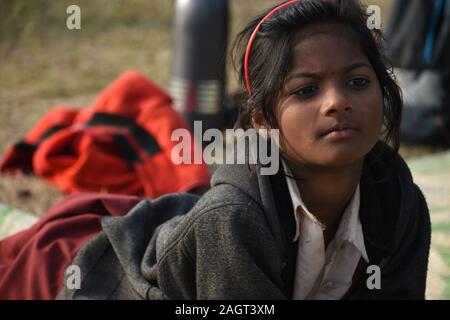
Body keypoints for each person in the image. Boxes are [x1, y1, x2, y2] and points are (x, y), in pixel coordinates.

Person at [58, 0, 431, 300]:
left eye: (358, 81)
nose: (337, 102)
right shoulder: (233, 220)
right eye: (306, 90)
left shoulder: (401, 203)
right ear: (262, 121)